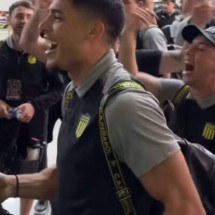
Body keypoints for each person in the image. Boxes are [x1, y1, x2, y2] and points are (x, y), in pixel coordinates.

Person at [0, 0, 206, 214]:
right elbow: (73, 176)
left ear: (94, 30)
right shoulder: (74, 91)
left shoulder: (125, 106)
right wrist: (10, 185)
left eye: (57, 17)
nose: (44, 27)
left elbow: (187, 207)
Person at [119, 0, 215, 155]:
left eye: (201, 49)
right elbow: (130, 81)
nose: (188, 52)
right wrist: (129, 32)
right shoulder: (181, 93)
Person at [0, 1, 64, 215]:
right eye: (19, 16)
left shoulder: (45, 53)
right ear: (9, 19)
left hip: (33, 127)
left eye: (29, 16)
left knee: (28, 173)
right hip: (2, 126)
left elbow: (58, 89)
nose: (24, 21)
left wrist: (34, 106)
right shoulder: (0, 51)